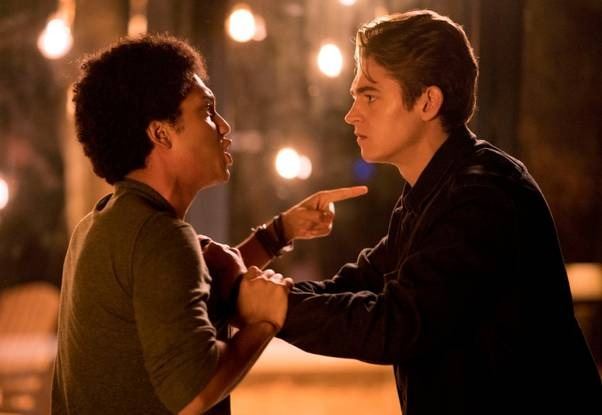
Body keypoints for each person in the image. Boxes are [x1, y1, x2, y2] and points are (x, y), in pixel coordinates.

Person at [264, 10, 601, 415]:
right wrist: (267, 296)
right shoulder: (433, 190)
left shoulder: (482, 196)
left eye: (369, 96)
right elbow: (363, 282)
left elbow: (398, 324)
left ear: (427, 101)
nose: (351, 114)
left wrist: (275, 307)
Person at [51, 34, 366, 415]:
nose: (224, 126)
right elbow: (192, 393)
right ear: (161, 133)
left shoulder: (105, 222)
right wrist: (266, 321)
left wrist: (280, 232)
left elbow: (185, 290)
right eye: (206, 111)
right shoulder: (159, 237)